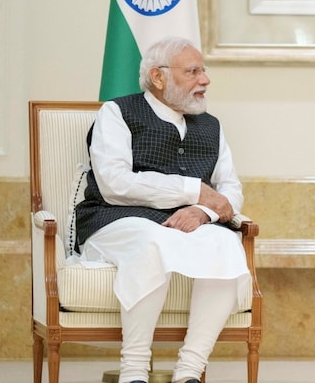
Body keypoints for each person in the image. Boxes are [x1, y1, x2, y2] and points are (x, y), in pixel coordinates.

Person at [75, 37, 250, 383]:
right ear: (158, 77)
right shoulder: (117, 112)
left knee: (227, 245)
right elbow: (115, 183)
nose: (205, 80)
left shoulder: (211, 126)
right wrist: (193, 191)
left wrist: (203, 212)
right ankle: (134, 370)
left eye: (203, 70)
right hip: (114, 221)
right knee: (151, 240)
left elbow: (230, 190)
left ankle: (189, 371)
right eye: (193, 71)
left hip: (187, 225)